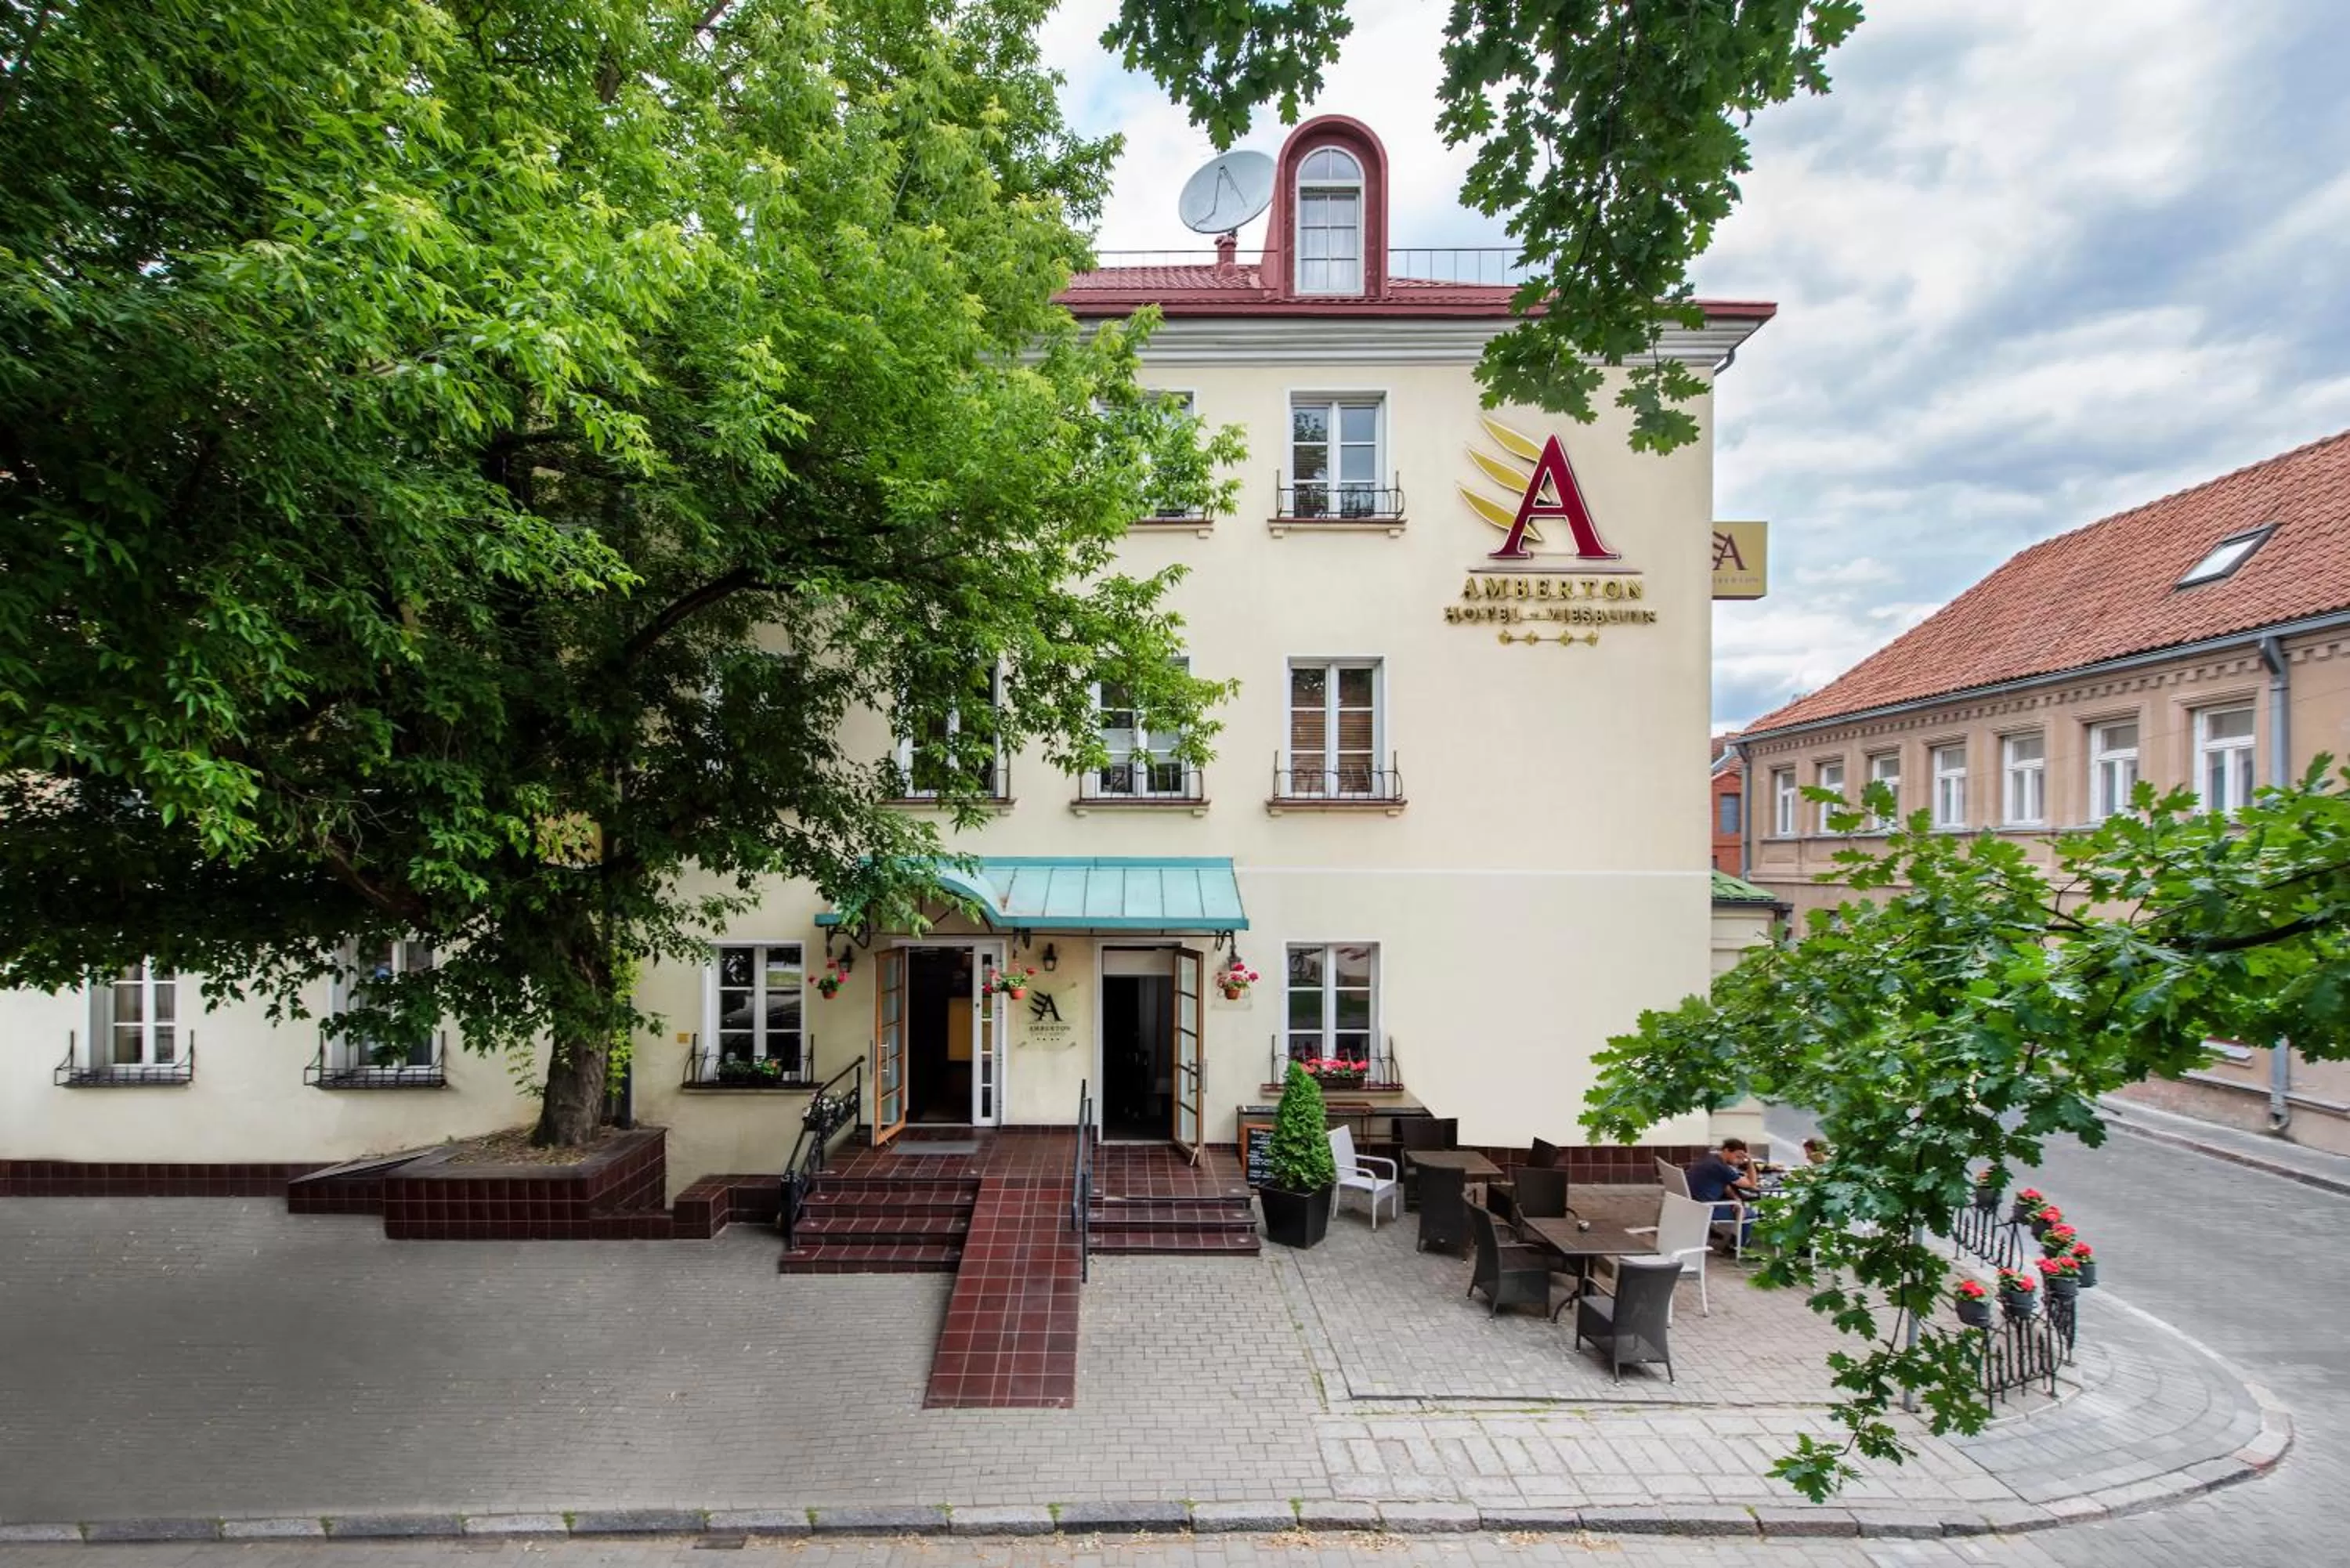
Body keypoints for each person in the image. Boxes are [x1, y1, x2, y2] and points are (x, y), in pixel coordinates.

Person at [1683, 1137, 1759, 1252]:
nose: (1739, 1161)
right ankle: (1738, 1247)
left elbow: (1725, 1185)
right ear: (1727, 1151)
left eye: (1742, 1158)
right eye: (1738, 1156)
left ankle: (1733, 1242)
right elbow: (1752, 1184)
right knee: (1750, 1213)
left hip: (1694, 1204)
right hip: (1706, 1209)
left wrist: (1736, 1198)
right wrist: (1749, 1160)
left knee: (1740, 1206)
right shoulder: (1721, 1168)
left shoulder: (1710, 1159)